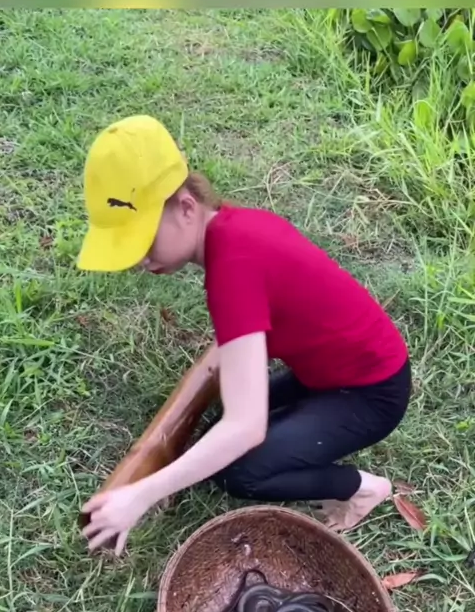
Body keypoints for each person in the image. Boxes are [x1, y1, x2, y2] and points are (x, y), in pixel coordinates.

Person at [79, 115, 411, 555]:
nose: (138, 258)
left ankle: (362, 487)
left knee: (240, 472)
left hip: (371, 394)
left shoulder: (233, 268)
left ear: (185, 207)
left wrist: (140, 495)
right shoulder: (235, 229)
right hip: (329, 375)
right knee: (220, 436)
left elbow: (246, 427)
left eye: (142, 239)